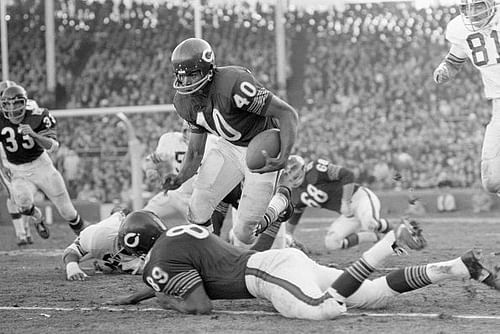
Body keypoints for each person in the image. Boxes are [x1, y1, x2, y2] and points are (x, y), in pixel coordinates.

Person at [108, 210, 499, 320]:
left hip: (266, 276)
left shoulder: (159, 260)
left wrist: (165, 301)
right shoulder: (176, 236)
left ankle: (389, 243)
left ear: (136, 243)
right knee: (373, 296)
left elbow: (198, 305)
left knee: (323, 309)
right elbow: (186, 269)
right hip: (279, 263)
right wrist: (146, 292)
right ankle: (461, 267)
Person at [162, 37, 298, 246]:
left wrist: (283, 157)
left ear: (209, 70)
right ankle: (209, 254)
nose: (187, 81)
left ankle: (281, 200)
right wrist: (180, 178)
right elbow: (196, 152)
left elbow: (287, 114)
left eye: (192, 74)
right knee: (197, 209)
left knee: (244, 233)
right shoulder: (183, 102)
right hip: (227, 146)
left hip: (260, 148)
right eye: (182, 75)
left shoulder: (234, 83)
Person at [0, 84, 87, 238]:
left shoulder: (38, 115)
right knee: (23, 204)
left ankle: (87, 238)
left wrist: (34, 135)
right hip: (17, 169)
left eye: (17, 103)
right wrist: (2, 166)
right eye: (8, 104)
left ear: (25, 102)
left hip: (41, 165)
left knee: (68, 212)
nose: (12, 109)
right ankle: (37, 217)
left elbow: (53, 146)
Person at [269, 155, 408, 251]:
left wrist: (345, 201)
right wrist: (289, 235)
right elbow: (296, 213)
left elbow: (347, 174)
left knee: (369, 223)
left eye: (295, 172)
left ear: (303, 167)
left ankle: (397, 229)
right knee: (332, 243)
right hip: (348, 214)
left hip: (359, 198)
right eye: (290, 174)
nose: (293, 177)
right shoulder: (296, 193)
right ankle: (373, 237)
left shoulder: (316, 170)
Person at [433, 0, 500, 195]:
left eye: (478, 5)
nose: (473, 12)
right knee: (492, 181)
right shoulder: (459, 28)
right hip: (498, 103)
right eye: (468, 7)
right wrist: (445, 69)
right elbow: (454, 60)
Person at [62, 209, 164, 281]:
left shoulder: (148, 257)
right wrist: (72, 267)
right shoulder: (101, 238)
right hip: (116, 224)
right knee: (120, 214)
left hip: (120, 247)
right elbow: (72, 251)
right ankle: (117, 211)